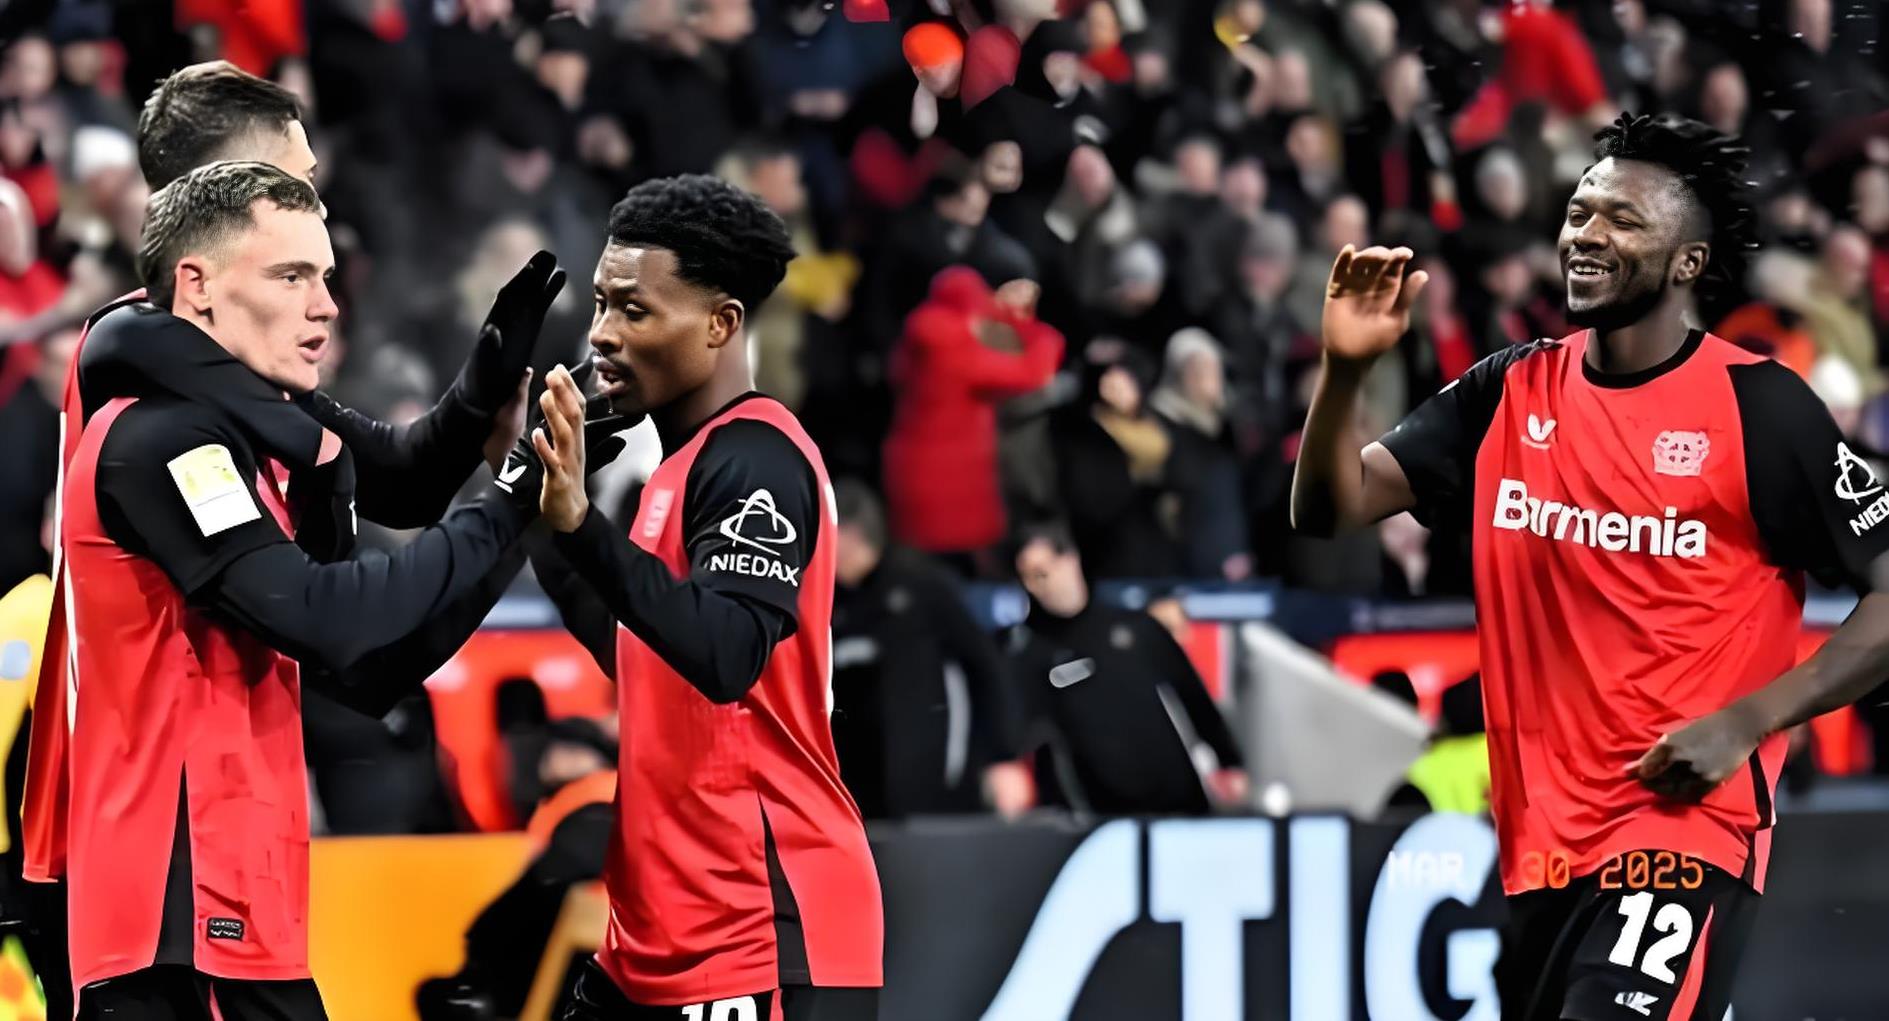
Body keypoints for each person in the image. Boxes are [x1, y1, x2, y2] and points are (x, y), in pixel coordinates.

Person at [1290, 113, 1889, 1020]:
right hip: (1540, 850)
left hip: (1683, 832)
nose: (1586, 234)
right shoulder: (1507, 388)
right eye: (1579, 212)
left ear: (1686, 262)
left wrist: (1748, 719)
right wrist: (1343, 374)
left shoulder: (1757, 409)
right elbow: (1329, 508)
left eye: (1622, 219)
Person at [19, 61, 551, 1021]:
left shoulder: (244, 403)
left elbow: (378, 585)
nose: (325, 300)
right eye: (295, 255)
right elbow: (326, 613)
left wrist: (500, 430)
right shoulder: (156, 403)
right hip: (162, 880)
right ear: (214, 206)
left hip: (226, 877)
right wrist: (507, 497)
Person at [524, 174, 882, 1021]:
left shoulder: (754, 457)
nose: (603, 333)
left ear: (721, 322)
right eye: (601, 304)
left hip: (762, 926)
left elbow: (724, 653)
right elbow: (634, 648)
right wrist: (541, 512)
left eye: (634, 310)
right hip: (657, 937)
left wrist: (581, 527)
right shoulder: (678, 469)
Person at [1003, 523, 1247, 815]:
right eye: (1028, 578)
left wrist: (1228, 760)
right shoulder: (1030, 654)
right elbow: (1029, 739)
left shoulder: (1136, 628)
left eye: (1042, 572)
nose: (1039, 586)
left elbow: (1191, 694)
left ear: (1069, 559)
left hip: (1179, 800)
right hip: (1099, 816)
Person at [829, 479, 1031, 820]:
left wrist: (1004, 756)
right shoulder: (824, 600)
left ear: (851, 535)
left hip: (937, 778)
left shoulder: (922, 584)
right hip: (857, 791)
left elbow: (985, 664)